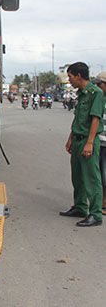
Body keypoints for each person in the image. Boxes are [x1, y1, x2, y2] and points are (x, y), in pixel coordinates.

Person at [61, 62, 105, 226]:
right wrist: (71, 138)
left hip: (88, 140)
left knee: (91, 179)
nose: (69, 80)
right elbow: (78, 118)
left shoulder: (96, 93)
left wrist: (90, 143)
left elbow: (95, 118)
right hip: (78, 139)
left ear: (79, 76)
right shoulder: (81, 94)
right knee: (78, 177)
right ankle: (79, 207)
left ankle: (95, 215)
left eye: (70, 76)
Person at [91, 71, 106, 215]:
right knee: (98, 175)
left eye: (100, 85)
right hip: (99, 142)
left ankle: (103, 203)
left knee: (104, 175)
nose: (98, 87)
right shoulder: (98, 99)